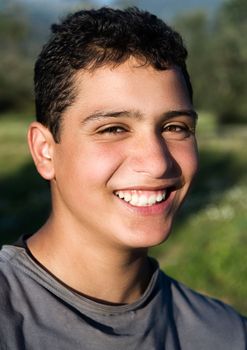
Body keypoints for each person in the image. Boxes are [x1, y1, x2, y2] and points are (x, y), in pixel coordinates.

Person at [0, 7, 246, 350]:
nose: (157, 163)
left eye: (175, 128)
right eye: (113, 128)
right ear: (45, 151)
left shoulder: (226, 334)